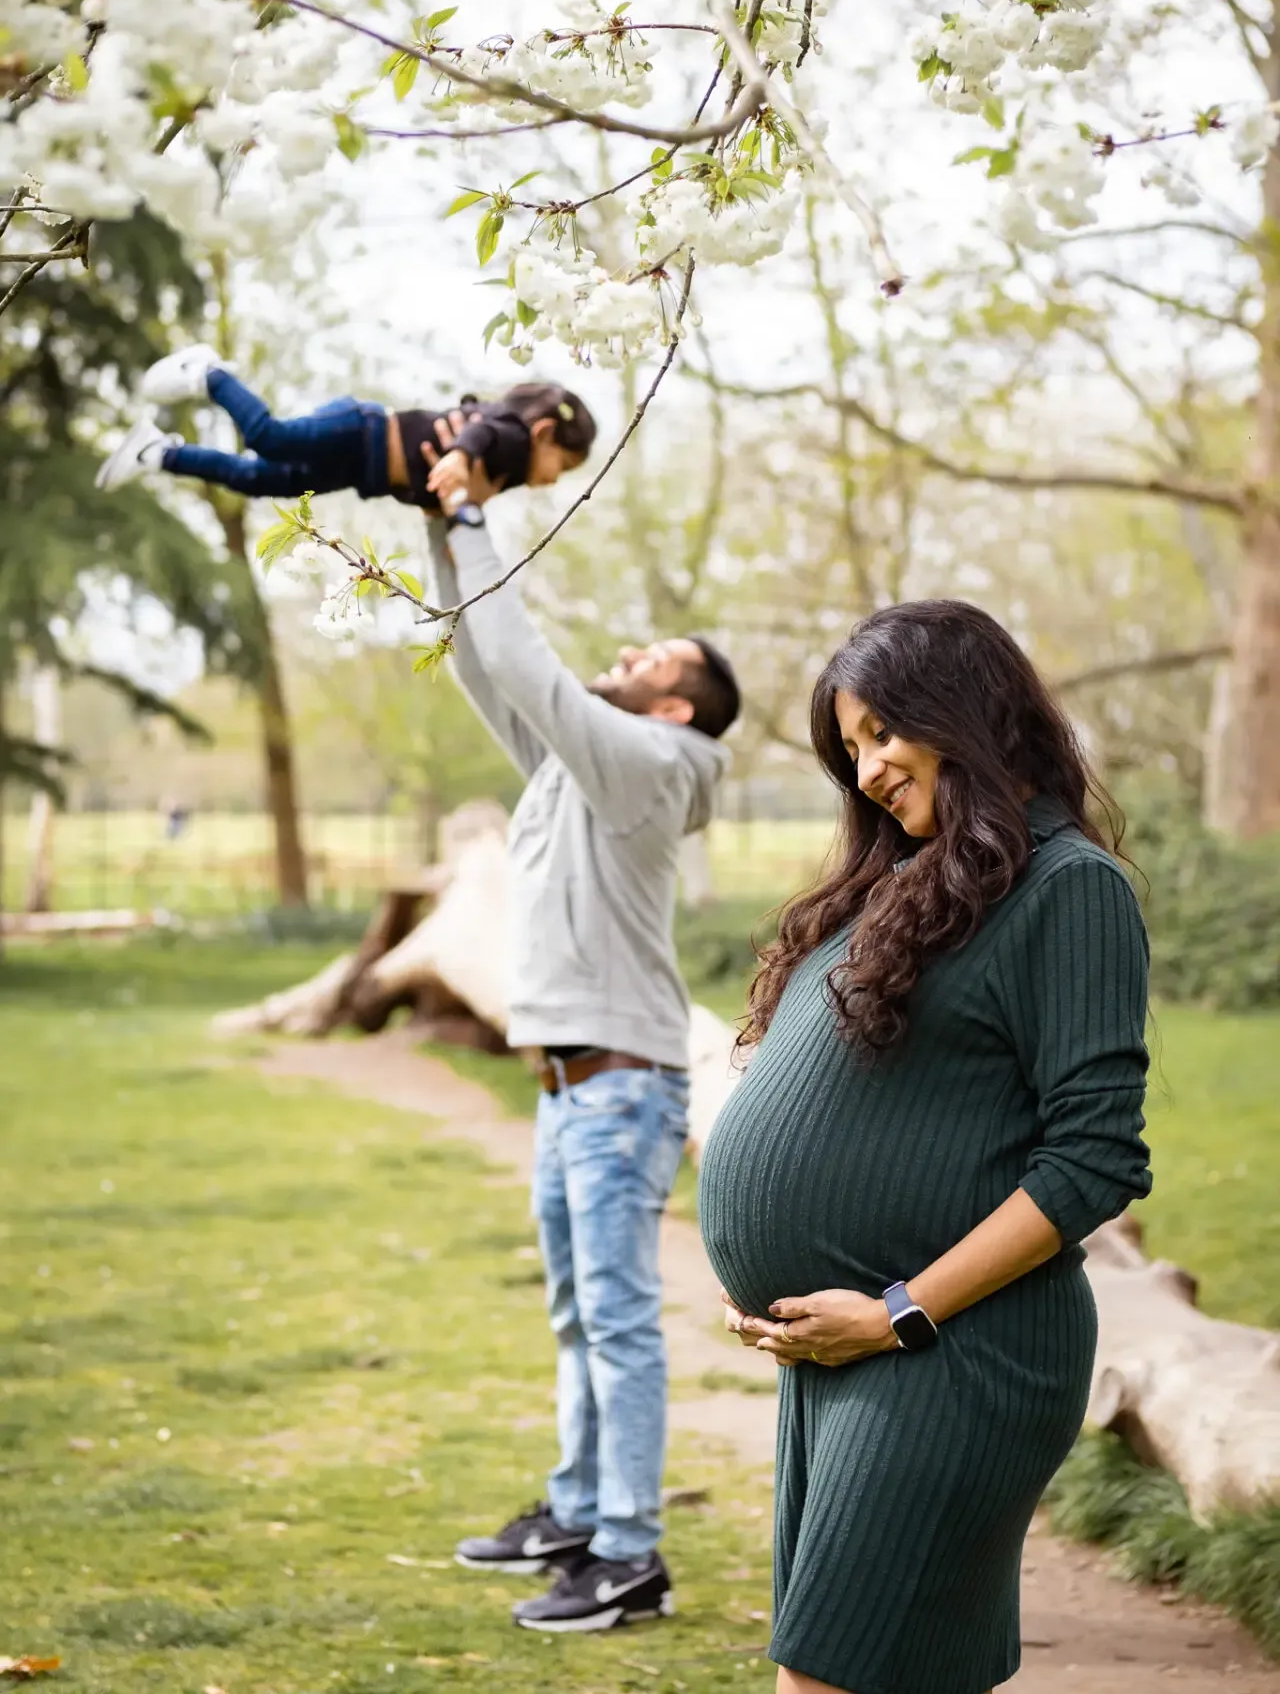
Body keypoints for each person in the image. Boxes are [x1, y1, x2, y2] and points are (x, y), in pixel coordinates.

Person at [697, 599, 1152, 1694]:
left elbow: (1093, 1160)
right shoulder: (909, 880)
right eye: (847, 749)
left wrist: (897, 1310)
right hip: (844, 1357)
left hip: (951, 1353)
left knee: (827, 1678)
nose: (864, 773)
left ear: (966, 710)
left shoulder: (1069, 890)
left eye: (881, 734)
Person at [425, 424, 741, 1634]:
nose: (624, 653)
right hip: (568, 1088)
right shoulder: (578, 765)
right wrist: (433, 509)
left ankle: (630, 1557)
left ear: (674, 703)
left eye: (647, 654)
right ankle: (575, 1509)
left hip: (622, 1086)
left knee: (614, 1319)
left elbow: (536, 666)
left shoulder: (649, 764)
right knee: (575, 1314)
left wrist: (474, 519)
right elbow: (483, 661)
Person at [93, 343, 597, 511]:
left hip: (362, 468)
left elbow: (421, 488)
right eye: (564, 465)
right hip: (362, 431)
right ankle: (210, 374)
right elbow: (479, 436)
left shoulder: (503, 478)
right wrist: (460, 458)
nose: (556, 477)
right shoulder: (505, 435)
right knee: (269, 438)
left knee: (262, 480)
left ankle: (160, 453)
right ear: (544, 433)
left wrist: (435, 500)